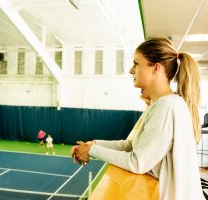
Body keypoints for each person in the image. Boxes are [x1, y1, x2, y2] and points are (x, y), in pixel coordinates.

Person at [71, 37, 204, 200]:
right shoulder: (160, 104)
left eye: (136, 63)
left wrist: (91, 150)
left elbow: (137, 162)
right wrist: (92, 144)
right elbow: (131, 146)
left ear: (156, 68)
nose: (131, 70)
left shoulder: (167, 106)